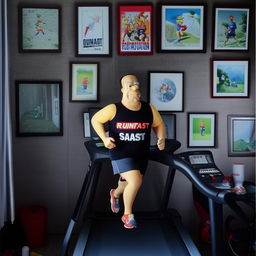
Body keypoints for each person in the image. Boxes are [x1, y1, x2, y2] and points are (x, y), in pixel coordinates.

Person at [91, 74, 166, 229]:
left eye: (137, 84)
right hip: (120, 153)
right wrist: (105, 138)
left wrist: (161, 138)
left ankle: (115, 194)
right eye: (130, 85)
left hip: (141, 154)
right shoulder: (114, 109)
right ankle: (128, 215)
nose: (135, 87)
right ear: (122, 89)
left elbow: (159, 124)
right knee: (135, 181)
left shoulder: (149, 108)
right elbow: (95, 120)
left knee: (128, 184)